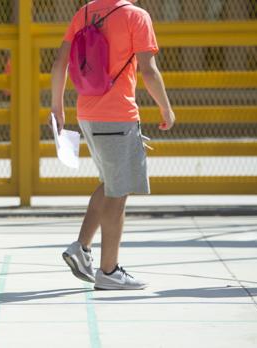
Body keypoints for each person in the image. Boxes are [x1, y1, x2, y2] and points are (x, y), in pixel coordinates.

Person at [50, 0, 175, 290]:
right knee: (118, 194)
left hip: (87, 114)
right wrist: (166, 109)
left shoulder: (83, 13)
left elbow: (59, 63)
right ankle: (109, 271)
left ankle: (81, 249)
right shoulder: (136, 16)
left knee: (109, 183)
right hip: (117, 115)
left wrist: (57, 107)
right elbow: (148, 71)